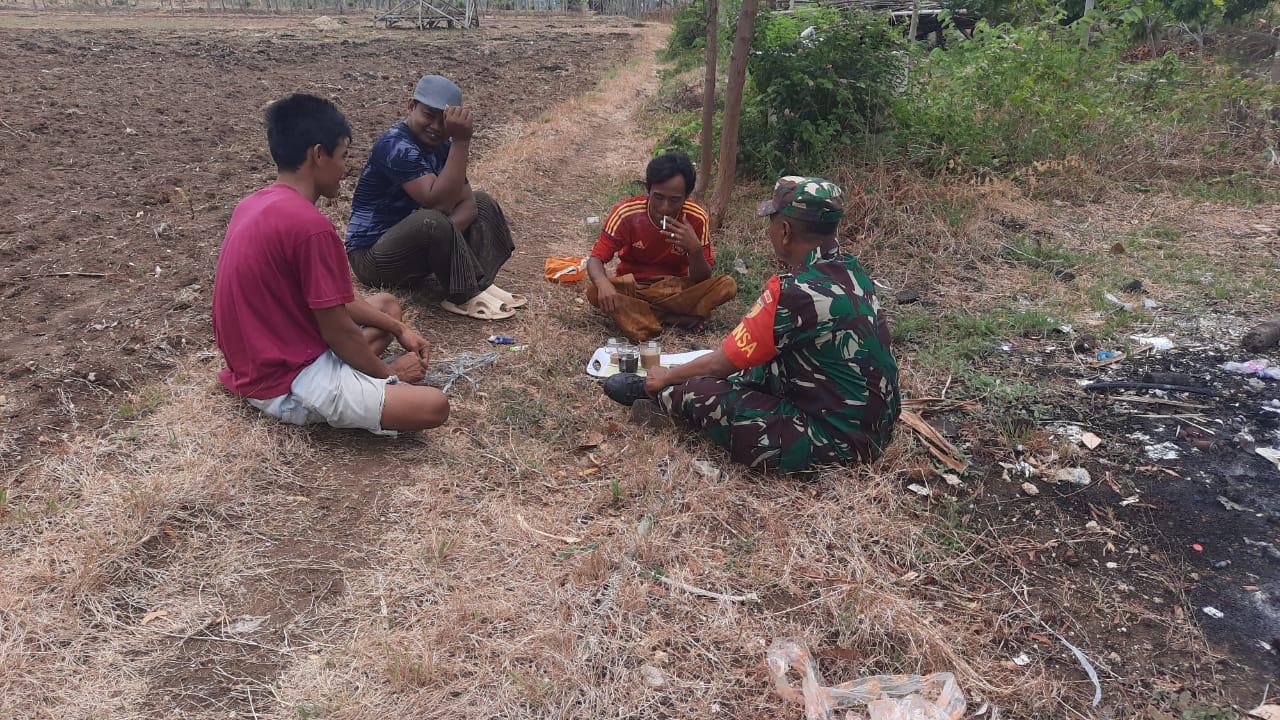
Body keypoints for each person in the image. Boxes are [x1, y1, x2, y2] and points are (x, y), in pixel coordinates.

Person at [602, 177, 900, 472]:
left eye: (772, 222)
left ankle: (659, 395)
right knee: (758, 365)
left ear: (784, 231)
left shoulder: (795, 292)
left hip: (836, 443)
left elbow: (721, 363)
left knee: (702, 392)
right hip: (873, 427)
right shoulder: (852, 270)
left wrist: (667, 376)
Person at [213, 94, 449, 436]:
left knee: (386, 306)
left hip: (262, 359)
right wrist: (391, 374)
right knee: (433, 405)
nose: (345, 168)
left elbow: (335, 302)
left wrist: (400, 330)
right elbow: (337, 329)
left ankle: (358, 373)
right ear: (318, 155)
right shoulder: (311, 227)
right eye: (342, 156)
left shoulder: (253, 204)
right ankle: (352, 386)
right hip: (288, 383)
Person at [345, 75, 522, 321]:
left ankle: (478, 282)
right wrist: (462, 140)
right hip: (372, 258)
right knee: (430, 220)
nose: (436, 127)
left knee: (483, 202)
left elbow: (469, 204)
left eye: (444, 120)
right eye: (428, 115)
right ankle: (464, 293)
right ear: (411, 106)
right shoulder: (395, 145)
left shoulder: (442, 147)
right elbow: (436, 202)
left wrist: (444, 237)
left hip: (411, 249)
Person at [586, 153, 737, 341]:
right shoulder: (627, 213)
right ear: (648, 190)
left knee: (727, 285)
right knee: (594, 291)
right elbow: (595, 259)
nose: (665, 207)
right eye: (658, 197)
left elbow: (702, 278)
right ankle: (669, 316)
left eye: (674, 200)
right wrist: (602, 284)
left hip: (676, 288)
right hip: (635, 286)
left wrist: (695, 250)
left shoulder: (696, 218)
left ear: (686, 197)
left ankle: (647, 316)